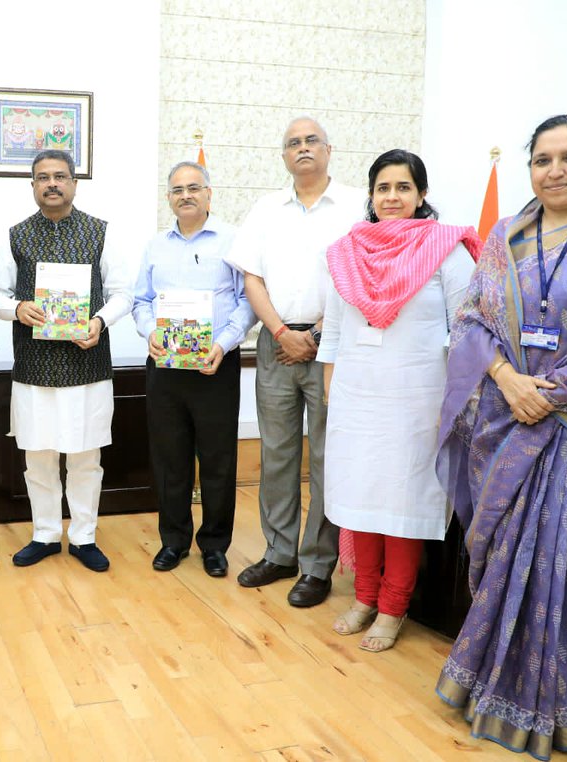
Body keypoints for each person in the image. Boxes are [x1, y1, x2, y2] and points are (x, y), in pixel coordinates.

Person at [435, 115, 567, 759]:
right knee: (502, 551)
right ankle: (488, 684)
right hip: (510, 412)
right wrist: (508, 380)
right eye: (543, 158)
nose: (555, 170)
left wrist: (549, 393)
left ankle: (562, 706)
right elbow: (473, 319)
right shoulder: (507, 235)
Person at [317, 149, 480, 651]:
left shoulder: (446, 250)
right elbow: (336, 333)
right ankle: (364, 596)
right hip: (356, 397)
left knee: (403, 503)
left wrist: (451, 405)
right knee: (360, 499)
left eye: (403, 187)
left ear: (421, 195)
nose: (392, 197)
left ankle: (392, 606)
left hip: (418, 401)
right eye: (383, 187)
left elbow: (466, 331)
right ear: (371, 194)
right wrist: (331, 393)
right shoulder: (346, 251)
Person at [226, 117, 362, 607]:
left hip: (335, 344)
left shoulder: (355, 207)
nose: (302, 149)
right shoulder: (266, 209)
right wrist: (283, 332)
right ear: (284, 156)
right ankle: (279, 552)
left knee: (326, 457)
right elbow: (251, 280)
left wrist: (319, 334)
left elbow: (362, 278)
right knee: (278, 453)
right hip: (276, 342)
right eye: (292, 144)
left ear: (329, 149)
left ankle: (318, 564)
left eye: (311, 141)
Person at [0, 149, 132, 572]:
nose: (52, 183)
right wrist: (17, 309)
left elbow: (123, 292)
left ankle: (84, 536)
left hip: (88, 363)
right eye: (43, 177)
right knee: (38, 456)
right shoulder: (15, 236)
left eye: (60, 176)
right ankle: (45, 534)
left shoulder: (101, 232)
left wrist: (100, 321)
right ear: (32, 185)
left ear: (74, 183)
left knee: (86, 457)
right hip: (33, 367)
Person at [133, 161, 253, 576]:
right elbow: (141, 300)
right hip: (165, 366)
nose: (185, 195)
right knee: (170, 458)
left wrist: (223, 344)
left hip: (215, 366)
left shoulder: (233, 241)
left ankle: (216, 545)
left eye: (193, 187)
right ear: (168, 197)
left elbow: (247, 301)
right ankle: (174, 541)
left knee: (218, 458)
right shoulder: (155, 245)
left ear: (208, 193)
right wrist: (148, 331)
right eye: (177, 189)